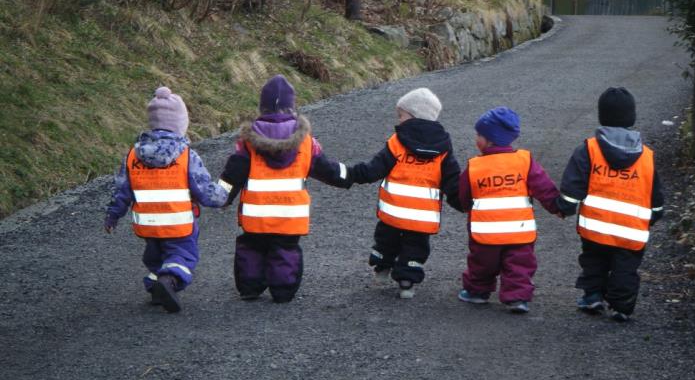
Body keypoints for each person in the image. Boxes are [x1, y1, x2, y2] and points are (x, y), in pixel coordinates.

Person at [218, 75, 351, 303]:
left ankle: (250, 286)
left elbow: (233, 173)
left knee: (251, 247)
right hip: (290, 215)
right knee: (286, 250)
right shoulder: (306, 141)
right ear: (293, 107)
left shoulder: (248, 141)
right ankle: (283, 290)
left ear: (262, 107)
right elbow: (326, 168)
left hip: (256, 214)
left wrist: (221, 197)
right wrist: (349, 175)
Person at [105, 86, 228, 313]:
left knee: (156, 256)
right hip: (178, 223)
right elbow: (203, 189)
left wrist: (113, 214)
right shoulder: (186, 155)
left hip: (147, 225)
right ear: (181, 124)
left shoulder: (133, 155)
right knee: (182, 255)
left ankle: (155, 286)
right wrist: (223, 197)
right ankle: (168, 281)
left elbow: (122, 190)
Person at [556, 87, 664, 322]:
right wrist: (654, 215)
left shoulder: (589, 149)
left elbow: (573, 184)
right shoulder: (646, 156)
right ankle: (622, 306)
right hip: (631, 228)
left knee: (594, 260)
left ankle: (593, 296)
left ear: (602, 116)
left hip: (596, 225)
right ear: (632, 117)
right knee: (625, 267)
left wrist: (565, 206)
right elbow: (655, 193)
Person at [348, 87, 462, 299]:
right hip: (422, 217)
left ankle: (382, 266)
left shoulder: (397, 142)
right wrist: (463, 201)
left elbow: (375, 168)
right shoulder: (443, 148)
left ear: (413, 116)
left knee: (385, 239)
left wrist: (352, 175)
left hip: (393, 212)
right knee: (415, 247)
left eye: (401, 115)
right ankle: (407, 280)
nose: (398, 121)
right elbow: (452, 180)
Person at [457, 107, 563, 313]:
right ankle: (518, 298)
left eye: (478, 135)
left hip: (486, 232)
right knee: (519, 265)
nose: (475, 139)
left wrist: (463, 206)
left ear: (489, 140)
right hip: (520, 231)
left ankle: (477, 292)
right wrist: (556, 207)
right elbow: (543, 186)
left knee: (481, 264)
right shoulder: (524, 160)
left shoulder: (475, 166)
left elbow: (464, 194)